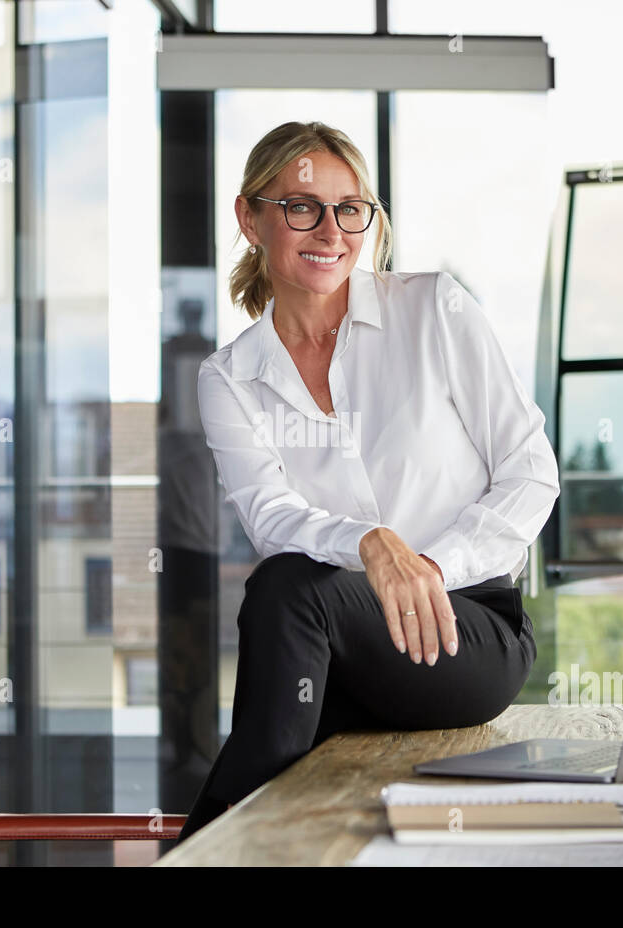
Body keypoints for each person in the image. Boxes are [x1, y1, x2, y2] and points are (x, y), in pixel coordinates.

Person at [173, 120, 560, 844]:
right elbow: (271, 516)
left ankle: (211, 845)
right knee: (291, 596)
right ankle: (237, 842)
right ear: (250, 218)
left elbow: (531, 470)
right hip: (343, 652)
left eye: (351, 208)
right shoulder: (230, 377)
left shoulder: (433, 310)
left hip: (466, 633)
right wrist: (371, 543)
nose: (330, 230)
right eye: (301, 206)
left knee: (287, 592)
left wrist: (429, 565)